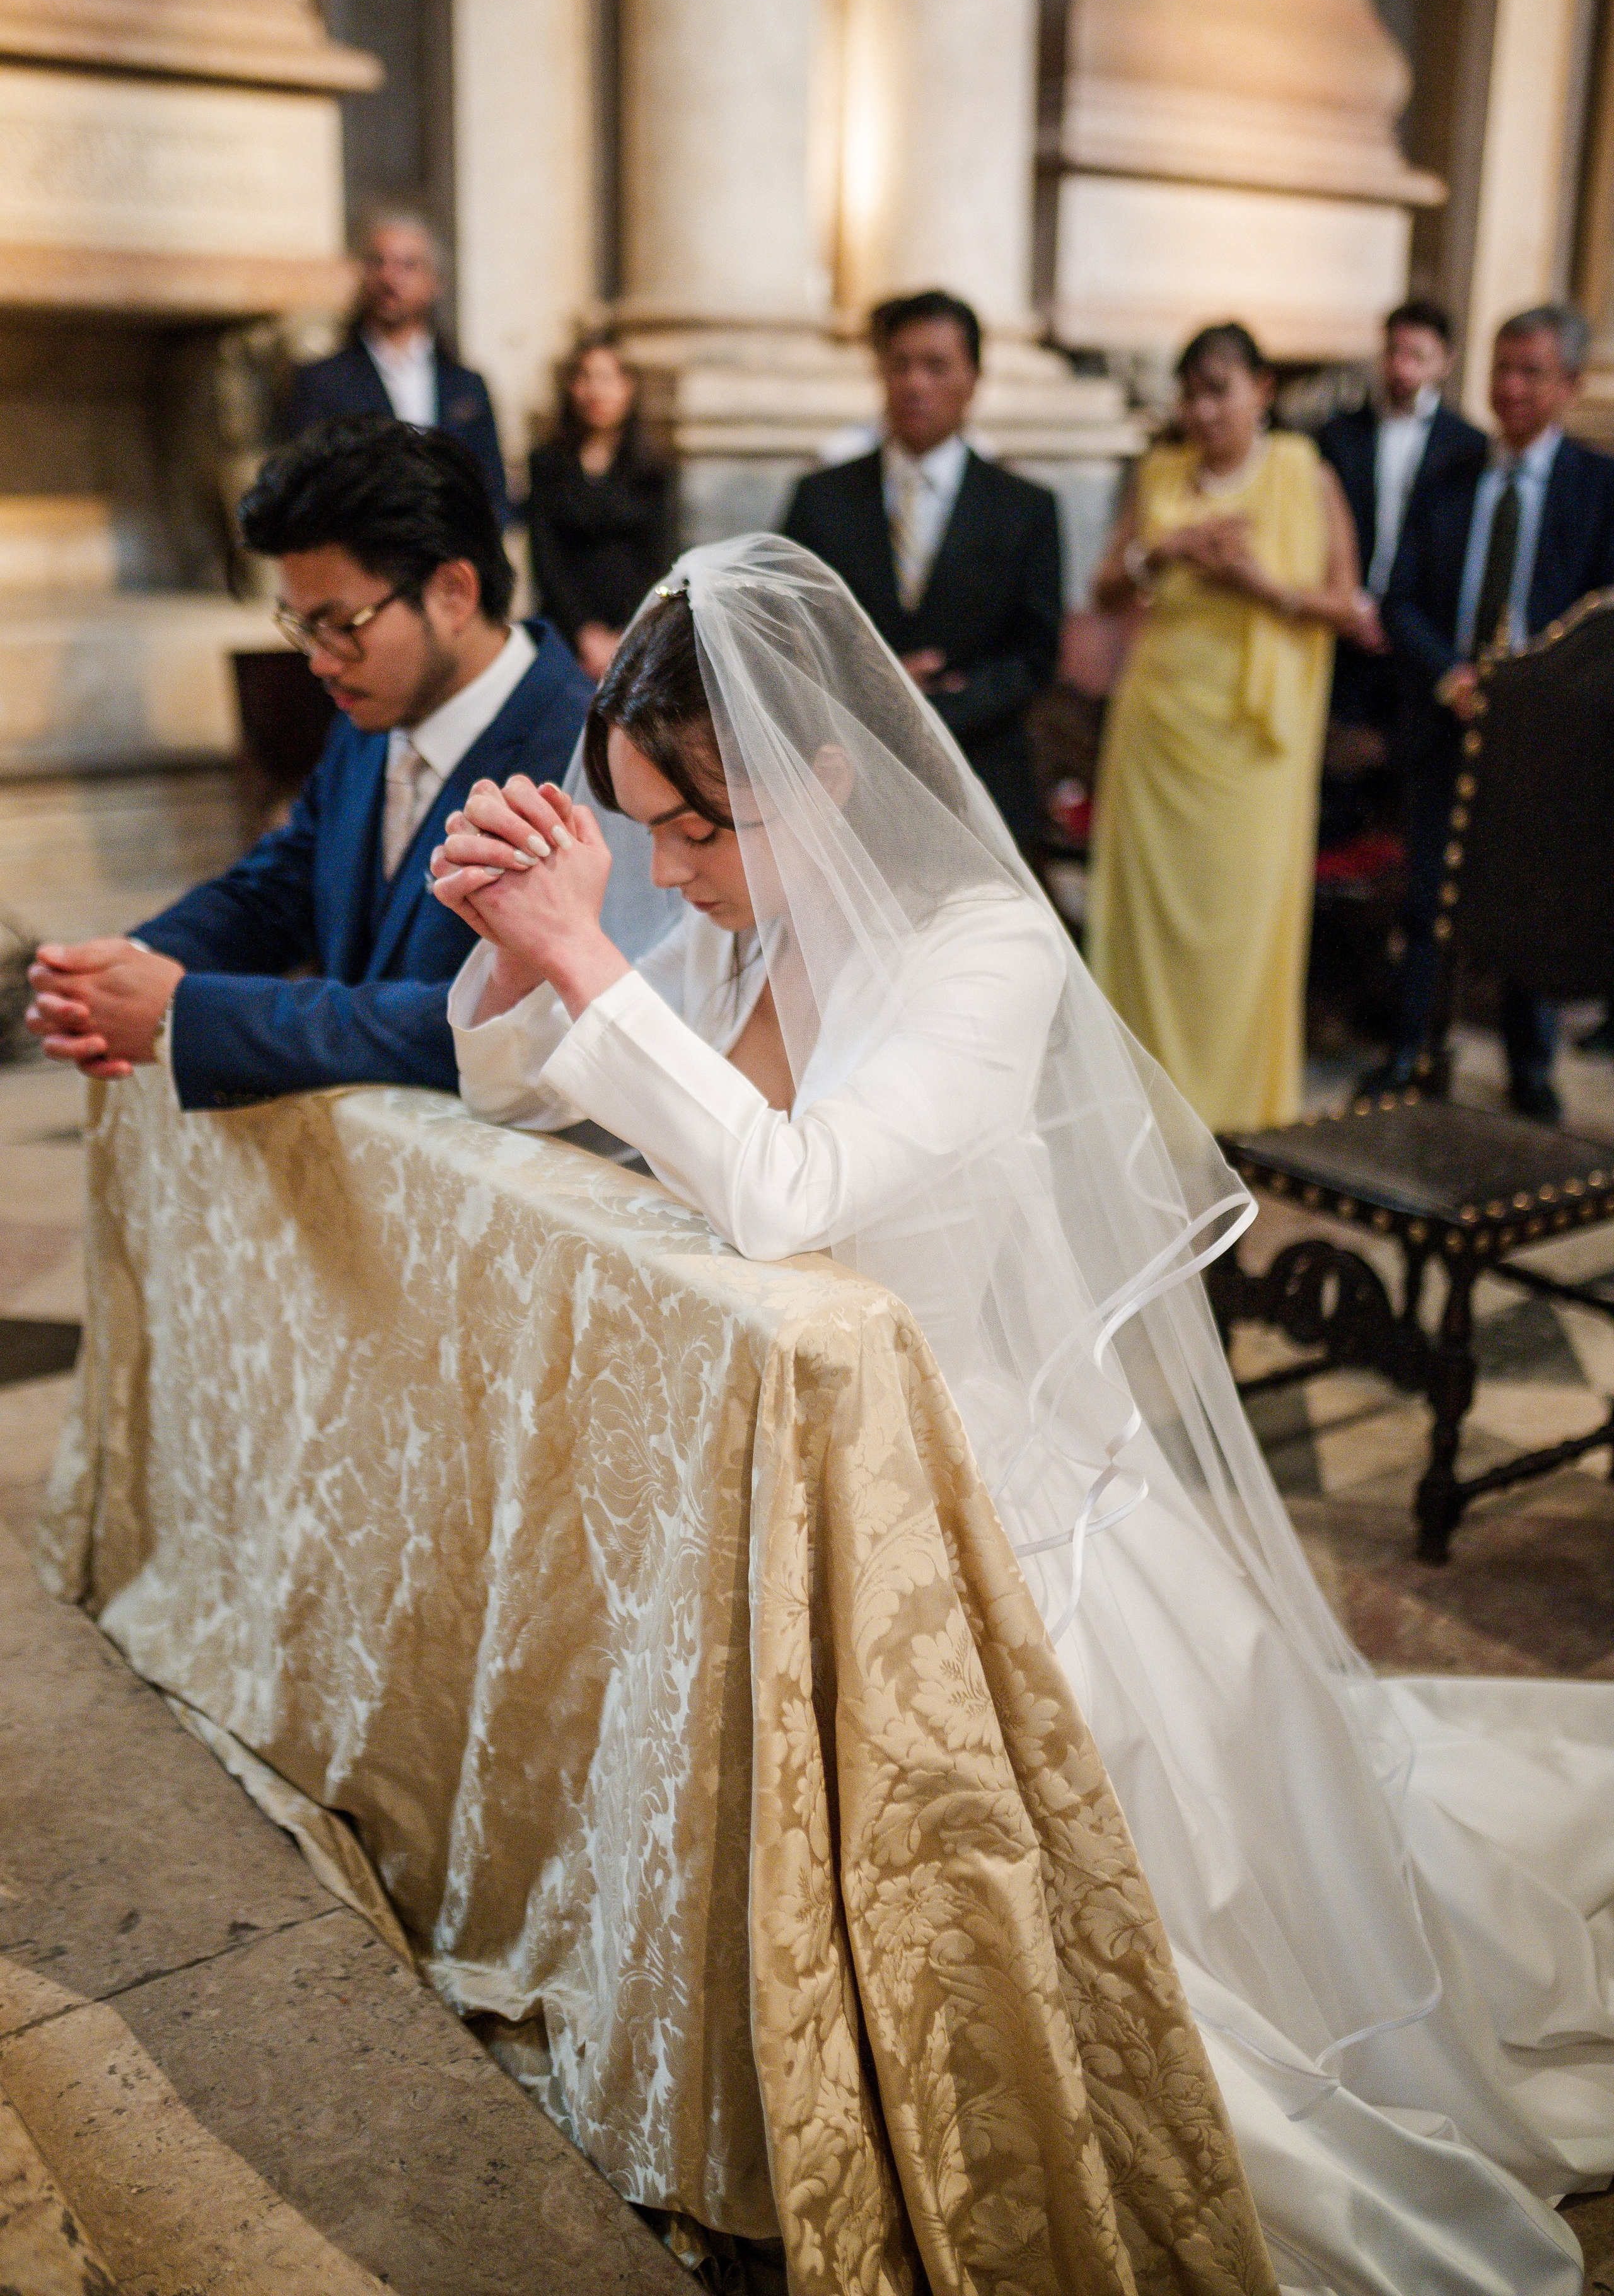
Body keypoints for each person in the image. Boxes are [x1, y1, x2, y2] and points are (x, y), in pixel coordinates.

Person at [431, 532, 1613, 2295]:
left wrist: (589, 959)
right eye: (644, 832)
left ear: (823, 778)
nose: (669, 873)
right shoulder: (743, 917)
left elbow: (791, 1189)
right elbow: (524, 1090)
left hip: (978, 1490)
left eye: (696, 829)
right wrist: (516, 951)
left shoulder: (984, 951)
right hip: (799, 1462)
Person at [24, 419, 590, 1105]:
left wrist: (188, 1015)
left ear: (453, 592)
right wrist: (121, 972)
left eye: (341, 625)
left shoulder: (579, 751)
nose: (319, 662)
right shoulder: (375, 712)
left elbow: (488, 1021)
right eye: (301, 626)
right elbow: (282, 887)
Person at [1084, 323, 1375, 1132]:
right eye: (1190, 394)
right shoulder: (1159, 472)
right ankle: (1145, 1104)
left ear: (1262, 390)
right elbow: (1104, 589)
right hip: (1159, 725)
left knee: (1241, 921)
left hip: (1255, 741)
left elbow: (1347, 605)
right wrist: (1163, 550)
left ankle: (1236, 1108)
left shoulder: (1303, 472)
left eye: (1219, 390)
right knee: (1147, 924)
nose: (1204, 411)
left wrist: (1259, 584)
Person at [1383, 303, 1614, 1118]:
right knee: (1427, 896)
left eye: (1530, 373)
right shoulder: (1446, 474)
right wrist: (1449, 676)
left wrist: (1535, 693)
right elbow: (1399, 598)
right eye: (1500, 369)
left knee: (1531, 898)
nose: (1509, 388)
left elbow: (1601, 619)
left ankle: (1529, 1066)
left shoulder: (1598, 486)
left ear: (1570, 384)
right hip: (1448, 720)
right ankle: (1410, 1053)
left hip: (1546, 741)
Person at [781, 290, 1060, 852]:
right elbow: (785, 630)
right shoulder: (821, 497)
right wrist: (875, 687)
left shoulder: (1024, 507)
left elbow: (1035, 655)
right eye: (900, 365)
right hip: (849, 780)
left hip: (979, 776)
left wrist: (934, 709)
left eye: (936, 366)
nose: (915, 384)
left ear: (973, 378)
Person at [1316, 301, 1485, 797]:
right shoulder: (1337, 437)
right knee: (1336, 776)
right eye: (1393, 353)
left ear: (1445, 362)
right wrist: (1351, 602)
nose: (1402, 369)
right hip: (1345, 623)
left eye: (1418, 356)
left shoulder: (1469, 446)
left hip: (1421, 632)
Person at [281, 209, 511, 529]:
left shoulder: (467, 386)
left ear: (435, 283)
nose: (390, 279)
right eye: (378, 263)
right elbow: (305, 492)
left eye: (408, 265)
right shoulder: (321, 383)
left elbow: (492, 494)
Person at [525, 337, 675, 681]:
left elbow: (661, 556)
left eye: (607, 378)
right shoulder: (548, 462)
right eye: (585, 377)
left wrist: (623, 635)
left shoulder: (655, 467)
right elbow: (546, 557)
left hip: (636, 633)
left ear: (628, 387)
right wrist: (584, 633)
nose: (596, 391)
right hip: (566, 633)